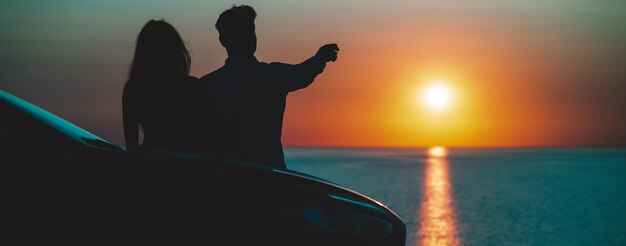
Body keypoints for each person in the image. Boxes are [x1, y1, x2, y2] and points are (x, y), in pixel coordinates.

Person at [201, 5, 339, 168]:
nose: (252, 36)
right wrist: (321, 57)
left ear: (223, 40)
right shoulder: (272, 76)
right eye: (249, 31)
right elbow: (302, 73)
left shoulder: (208, 85)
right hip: (270, 178)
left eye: (251, 30)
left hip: (227, 179)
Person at [123, 19, 208, 153]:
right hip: (188, 165)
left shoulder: (133, 89)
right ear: (176, 50)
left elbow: (131, 146)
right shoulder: (193, 87)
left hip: (150, 163)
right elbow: (205, 136)